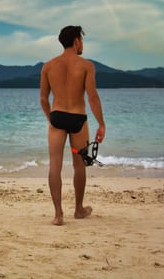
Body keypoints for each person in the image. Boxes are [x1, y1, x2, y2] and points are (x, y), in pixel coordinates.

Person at [40, 25, 105, 226]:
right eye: (82, 40)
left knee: (55, 165)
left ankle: (58, 214)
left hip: (58, 118)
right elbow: (92, 97)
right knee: (80, 165)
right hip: (78, 120)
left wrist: (51, 119)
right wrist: (101, 124)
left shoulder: (48, 66)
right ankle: (78, 209)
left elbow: (43, 99)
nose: (82, 44)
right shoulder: (86, 65)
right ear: (77, 40)